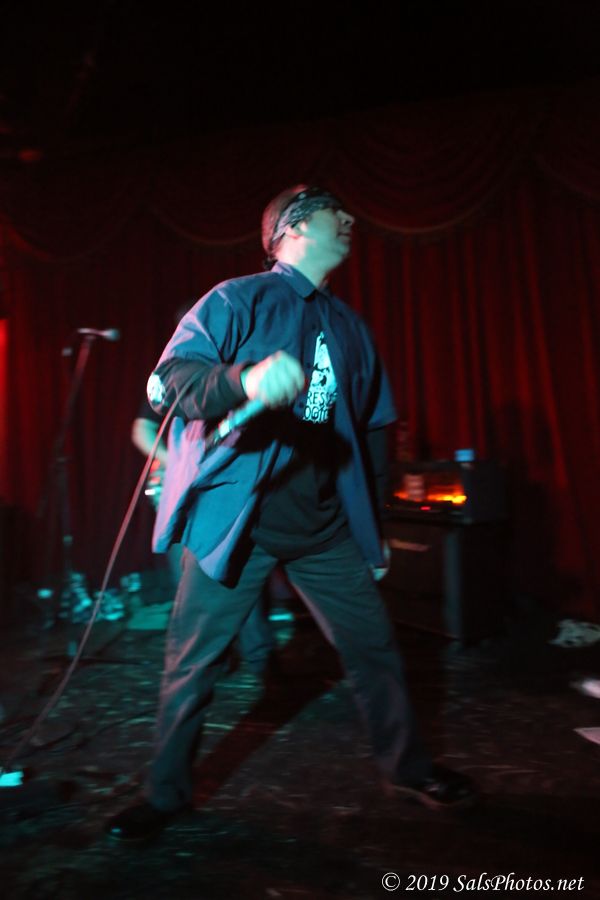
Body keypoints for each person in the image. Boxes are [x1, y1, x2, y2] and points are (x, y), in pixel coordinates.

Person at [106, 184, 476, 841]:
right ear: (294, 228)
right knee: (194, 662)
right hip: (240, 524)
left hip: (325, 530)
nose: (351, 219)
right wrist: (243, 380)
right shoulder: (236, 300)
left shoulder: (350, 327)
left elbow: (372, 436)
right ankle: (164, 795)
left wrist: (372, 534)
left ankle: (410, 769)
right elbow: (169, 383)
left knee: (374, 649)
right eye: (337, 212)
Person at [132, 379, 277, 677]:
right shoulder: (176, 377)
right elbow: (142, 429)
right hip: (186, 495)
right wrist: (177, 462)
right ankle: (212, 663)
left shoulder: (239, 376)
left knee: (237, 569)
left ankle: (260, 658)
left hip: (229, 488)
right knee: (189, 584)